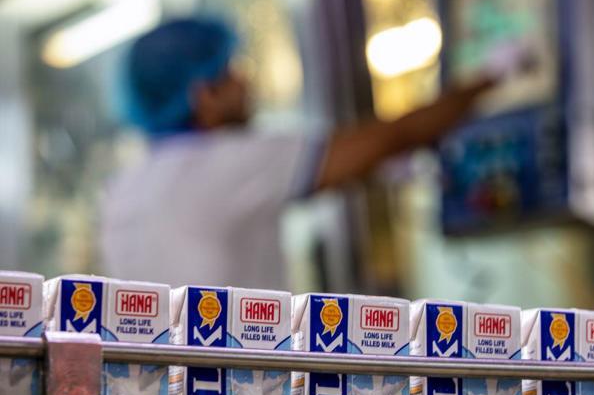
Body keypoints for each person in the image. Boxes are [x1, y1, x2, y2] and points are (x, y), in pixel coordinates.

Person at [100, 17, 508, 290]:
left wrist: (376, 169)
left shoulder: (127, 185)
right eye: (231, 71)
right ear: (204, 96)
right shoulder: (223, 163)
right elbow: (393, 136)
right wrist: (492, 77)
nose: (246, 82)